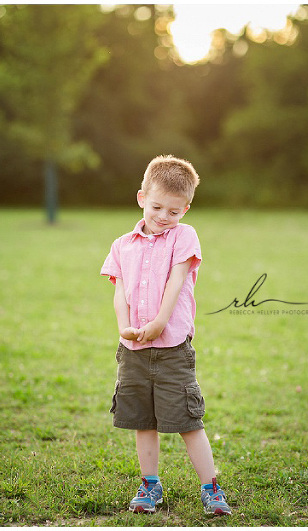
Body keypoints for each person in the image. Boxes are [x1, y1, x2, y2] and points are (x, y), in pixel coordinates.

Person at [100, 155, 231, 516]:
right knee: (143, 421)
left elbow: (176, 281)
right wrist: (124, 327)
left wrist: (158, 322)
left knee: (188, 421)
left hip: (172, 347)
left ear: (185, 210)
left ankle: (211, 488)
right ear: (142, 198)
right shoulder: (121, 244)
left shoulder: (185, 237)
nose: (163, 216)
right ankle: (150, 485)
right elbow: (119, 290)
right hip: (134, 350)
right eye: (157, 207)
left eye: (173, 211)